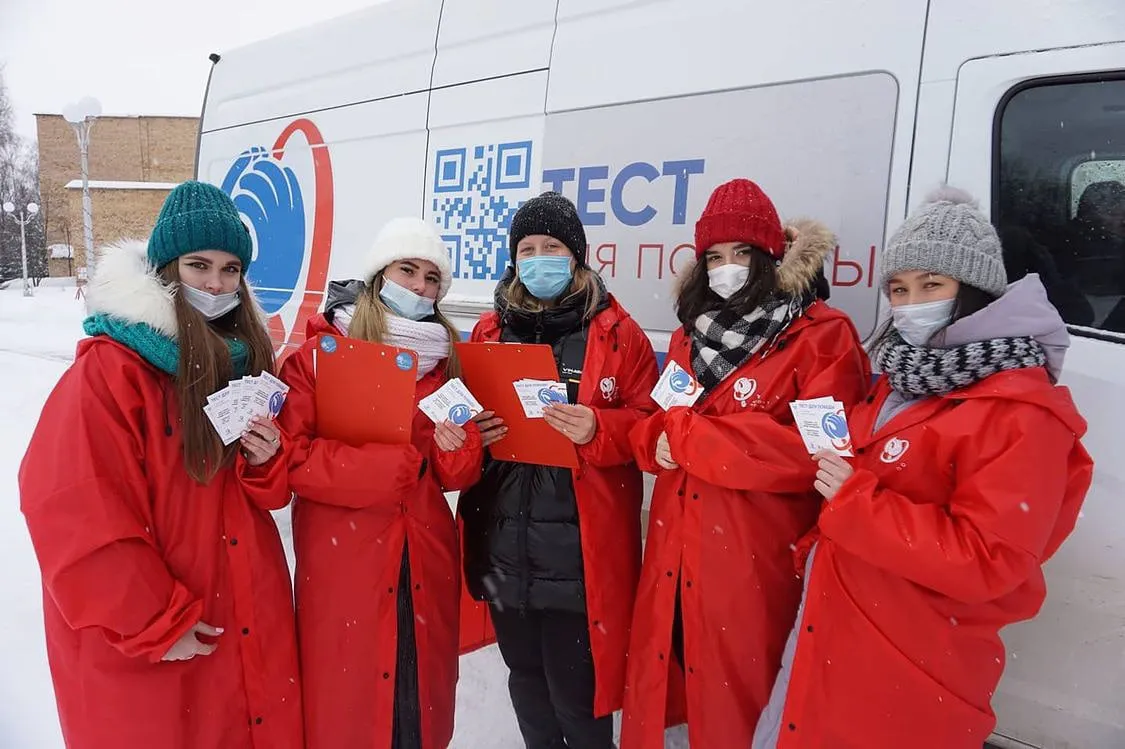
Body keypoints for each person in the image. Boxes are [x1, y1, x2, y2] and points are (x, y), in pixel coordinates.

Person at [752, 188, 1094, 749]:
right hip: (832, 629)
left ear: (974, 289)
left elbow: (991, 560)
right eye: (899, 288)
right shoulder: (902, 373)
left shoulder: (1021, 410)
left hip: (912, 659)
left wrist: (856, 503)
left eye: (932, 285)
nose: (911, 303)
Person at [19, 181, 301, 749]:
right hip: (153, 644)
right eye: (199, 265)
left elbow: (262, 497)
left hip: (241, 618)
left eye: (230, 269)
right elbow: (73, 512)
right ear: (165, 269)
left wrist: (268, 461)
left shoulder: (243, 363)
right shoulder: (110, 373)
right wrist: (153, 619)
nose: (216, 284)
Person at [622, 179, 871, 749]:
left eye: (741, 252)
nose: (727, 268)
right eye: (714, 257)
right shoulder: (690, 335)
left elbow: (818, 454)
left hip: (753, 565)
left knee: (742, 711)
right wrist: (653, 442)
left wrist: (692, 439)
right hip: (675, 554)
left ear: (769, 256)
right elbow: (657, 419)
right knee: (671, 697)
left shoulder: (820, 336)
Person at [458, 191, 658, 749]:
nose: (539, 259)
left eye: (552, 247)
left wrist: (600, 428)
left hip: (577, 550)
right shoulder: (489, 330)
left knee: (578, 695)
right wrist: (472, 432)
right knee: (526, 683)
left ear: (576, 256)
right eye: (527, 249)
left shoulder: (619, 334)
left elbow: (650, 423)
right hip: (503, 539)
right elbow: (464, 415)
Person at [278, 217, 483, 749]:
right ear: (378, 275)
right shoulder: (319, 356)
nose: (419, 286)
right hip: (347, 565)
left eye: (432, 278)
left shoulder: (445, 362)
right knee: (352, 709)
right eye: (407, 270)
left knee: (416, 705)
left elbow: (456, 474)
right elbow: (292, 458)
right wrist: (384, 470)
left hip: (424, 557)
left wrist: (458, 448)